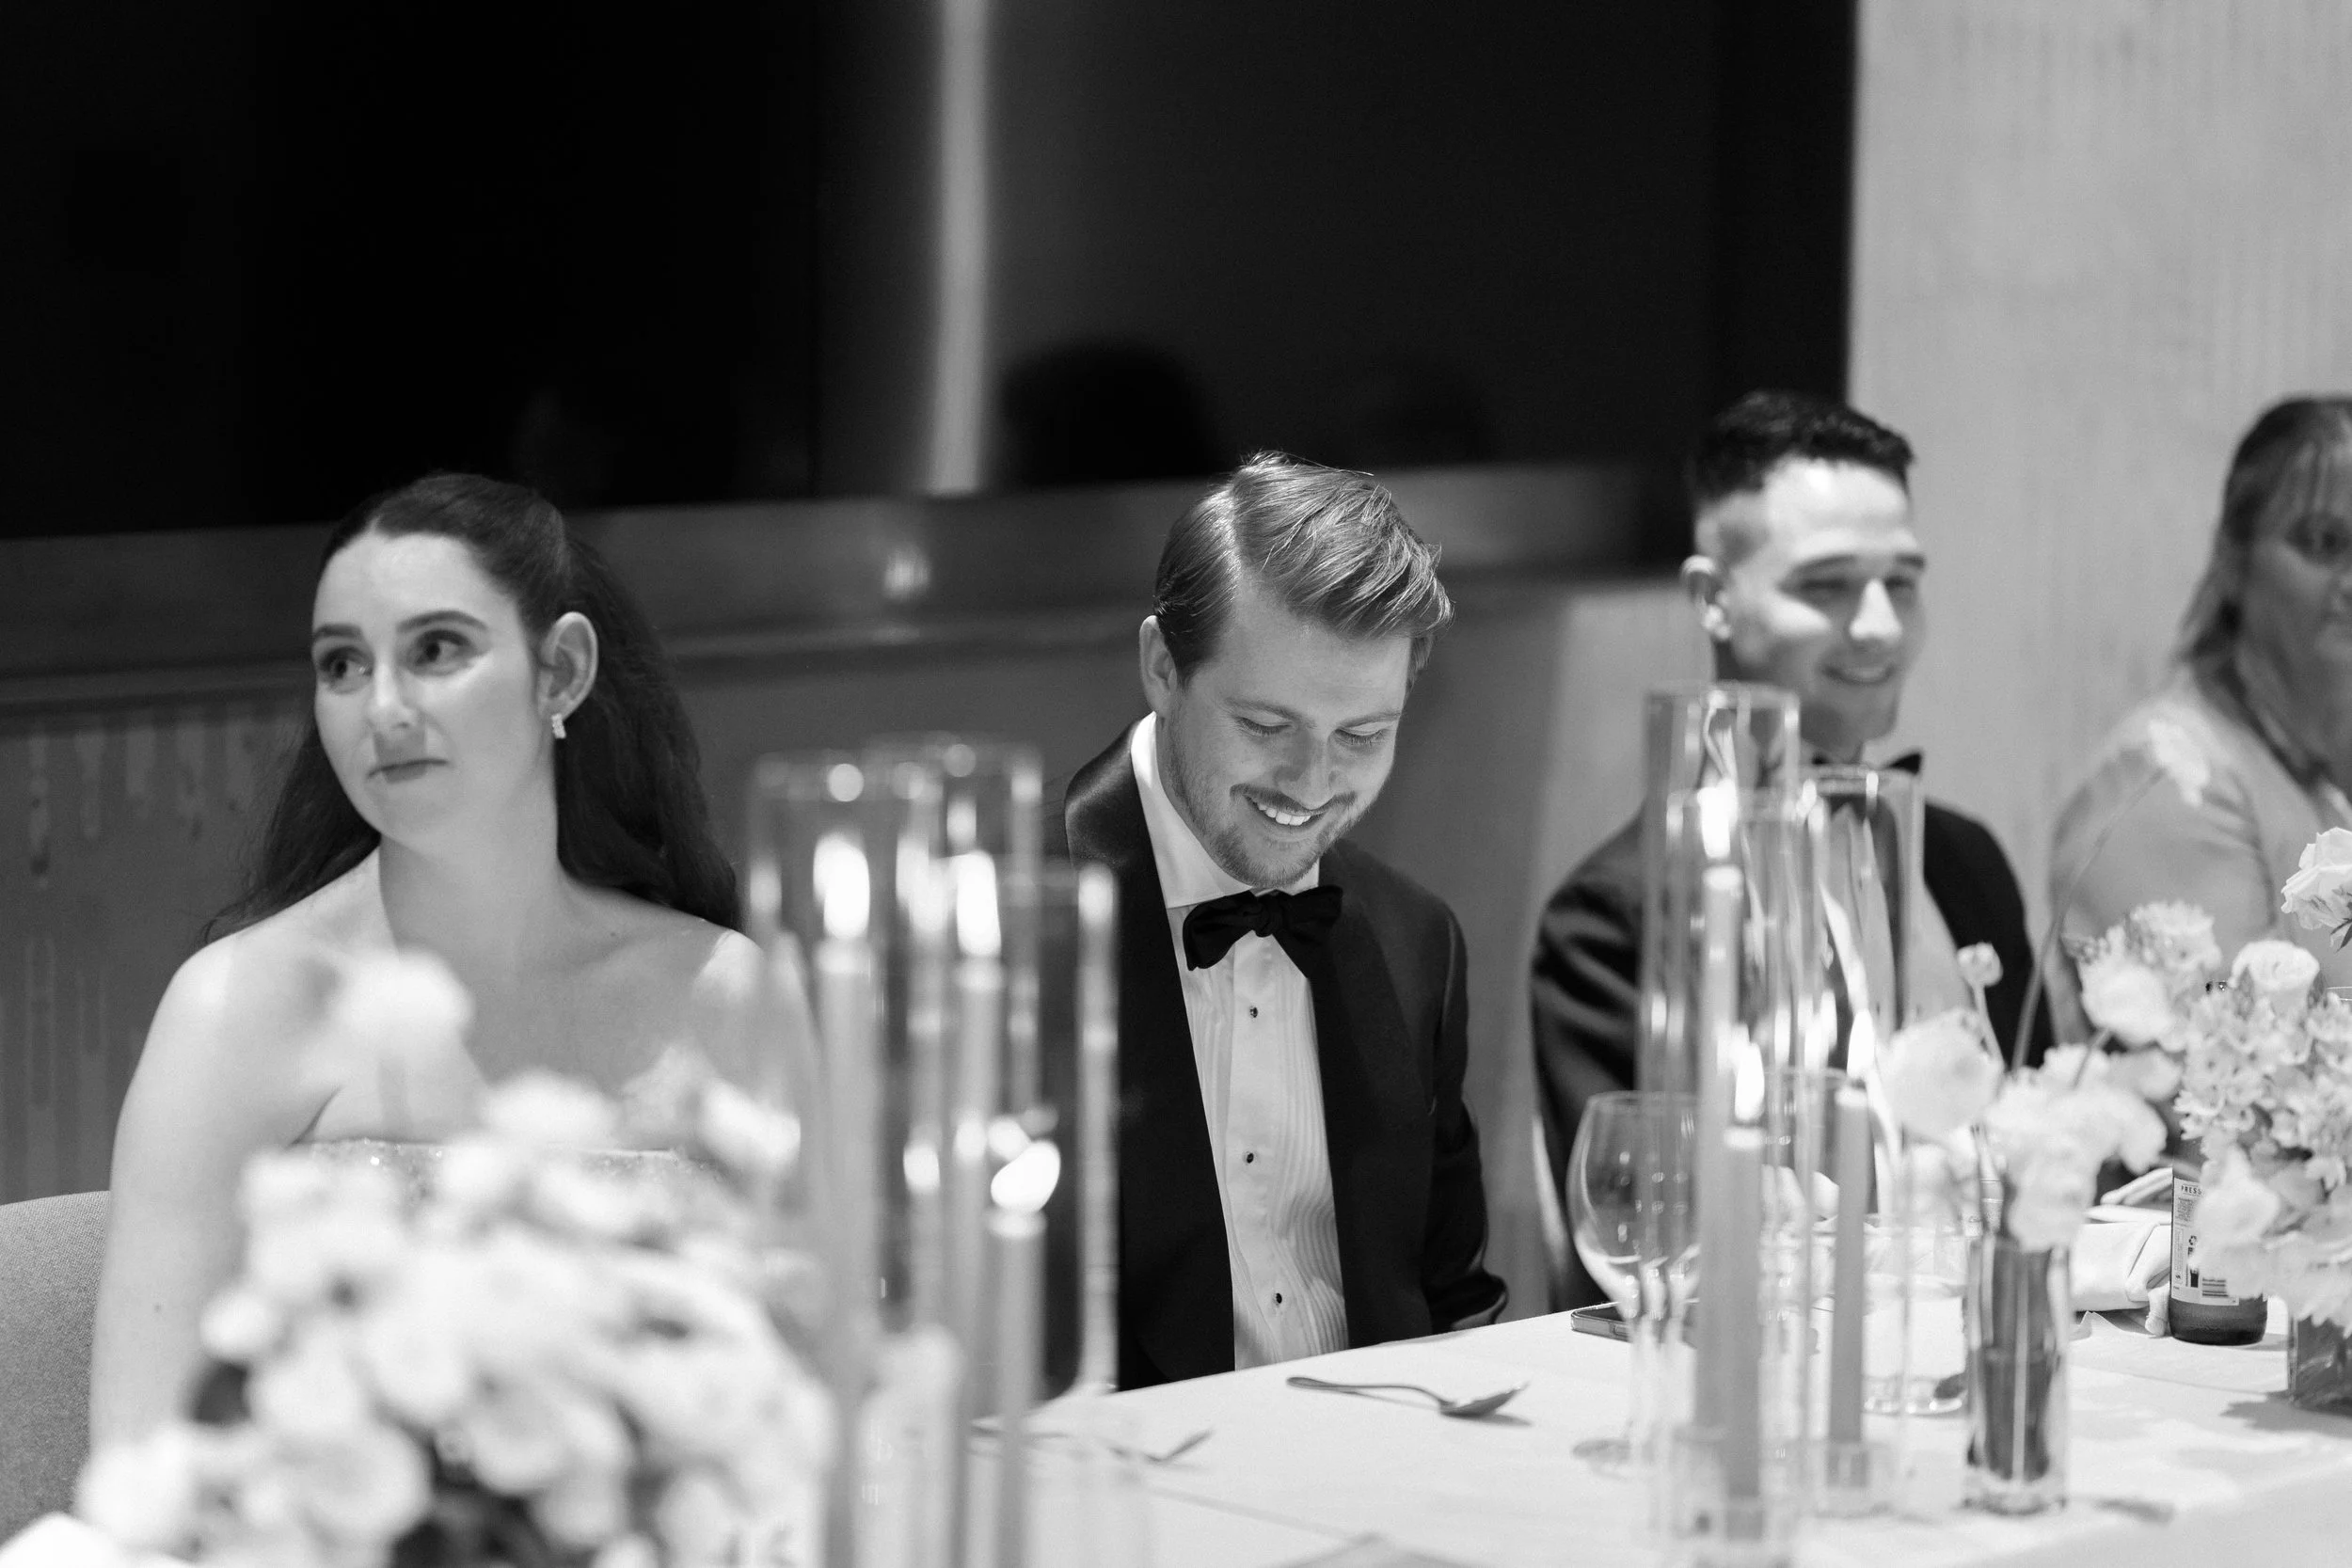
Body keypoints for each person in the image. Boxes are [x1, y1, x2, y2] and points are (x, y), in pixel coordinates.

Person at [90, 474, 761, 1442]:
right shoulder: (235, 1006)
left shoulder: (723, 993)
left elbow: (820, 1411)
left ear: (561, 670)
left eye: (436, 649)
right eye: (343, 666)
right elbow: (138, 1472)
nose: (383, 707)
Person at [1529, 390, 2049, 1306]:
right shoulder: (1617, 910)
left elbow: (2042, 1153)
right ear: (1712, 598)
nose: (1881, 625)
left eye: (1903, 580)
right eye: (1826, 584)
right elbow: (1647, 1234)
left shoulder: (1964, 862)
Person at [1053, 452, 1506, 1389]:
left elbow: (1452, 1293)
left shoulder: (1420, 940)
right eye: (1265, 725)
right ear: (1161, 669)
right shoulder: (1008, 933)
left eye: (1361, 736)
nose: (1311, 782)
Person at [2052, 397, 2352, 991]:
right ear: (2232, 560)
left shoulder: (2316, 770)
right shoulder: (2172, 777)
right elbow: (2243, 1062)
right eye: (2323, 542)